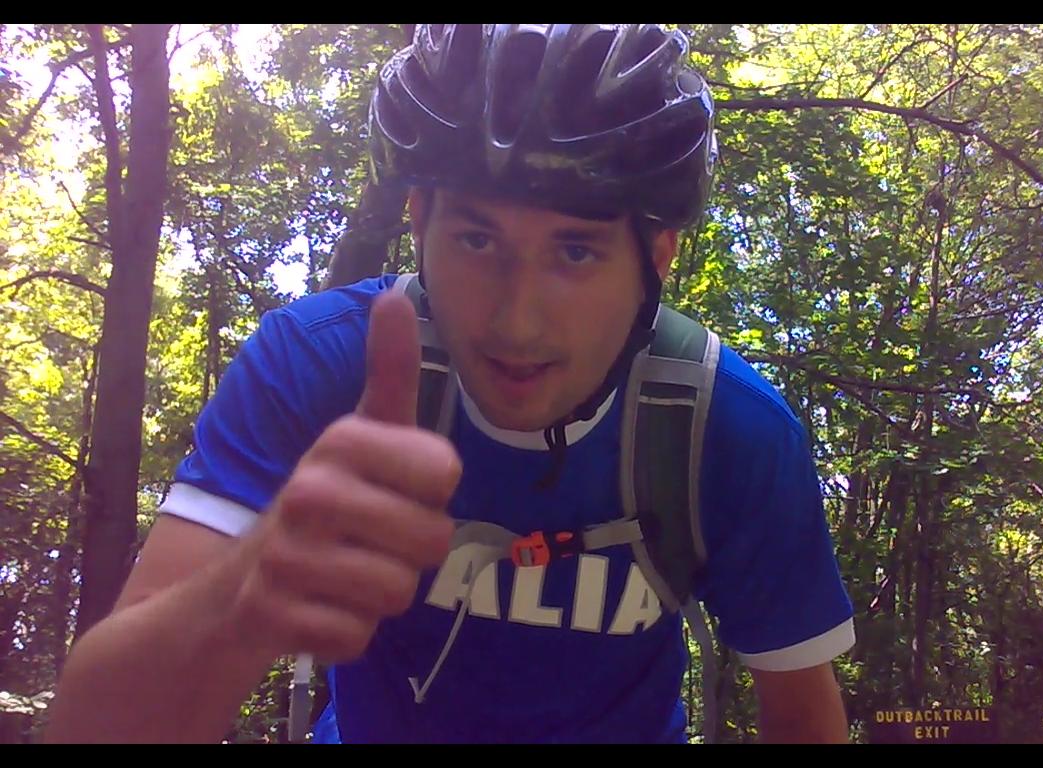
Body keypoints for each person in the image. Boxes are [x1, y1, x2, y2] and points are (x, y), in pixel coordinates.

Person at [43, 23, 855, 744]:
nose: (517, 320)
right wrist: (246, 590)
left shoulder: (728, 431)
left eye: (575, 252)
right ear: (418, 220)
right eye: (476, 239)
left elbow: (801, 713)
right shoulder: (322, 363)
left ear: (659, 256)